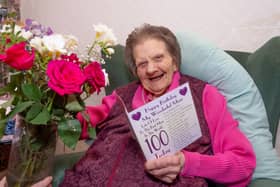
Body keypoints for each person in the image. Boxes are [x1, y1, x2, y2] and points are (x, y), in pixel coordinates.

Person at [57, 24, 256, 187]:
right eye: (142, 64)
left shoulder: (204, 95)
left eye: (158, 58)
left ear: (175, 62)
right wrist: (54, 109)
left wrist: (187, 163)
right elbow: (79, 125)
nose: (151, 69)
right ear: (136, 71)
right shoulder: (121, 97)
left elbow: (243, 164)